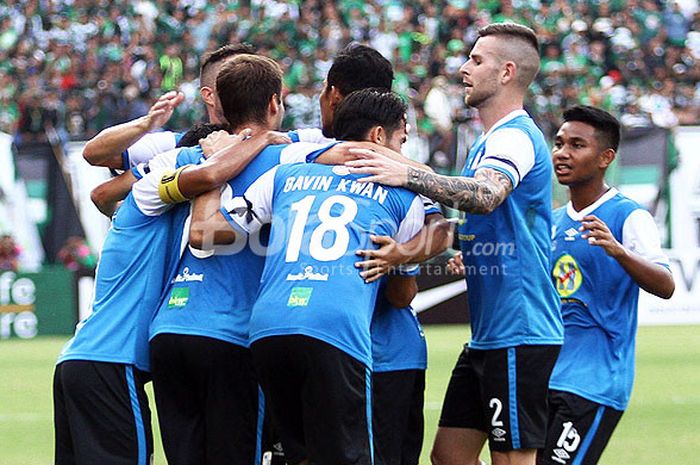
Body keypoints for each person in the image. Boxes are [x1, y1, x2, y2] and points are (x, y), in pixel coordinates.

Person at [344, 23, 564, 465]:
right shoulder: (486, 140)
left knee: (512, 460)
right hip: (489, 336)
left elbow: (485, 196)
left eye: (476, 60)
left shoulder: (514, 136)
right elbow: (488, 219)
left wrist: (408, 173)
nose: (464, 68)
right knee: (449, 455)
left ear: (506, 72)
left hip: (520, 331)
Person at [191, 88, 427, 465]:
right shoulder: (402, 193)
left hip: (268, 329)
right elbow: (401, 296)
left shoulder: (284, 173)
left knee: (300, 455)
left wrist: (212, 171)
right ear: (379, 137)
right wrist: (399, 262)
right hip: (333, 328)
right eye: (402, 139)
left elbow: (206, 233)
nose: (403, 151)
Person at [53, 120, 278, 465]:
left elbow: (103, 195)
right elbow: (206, 176)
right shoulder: (149, 195)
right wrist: (257, 141)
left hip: (83, 360)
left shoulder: (150, 215)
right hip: (113, 360)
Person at [539, 106, 674, 465]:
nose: (563, 153)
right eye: (559, 143)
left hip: (593, 382)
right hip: (543, 376)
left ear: (605, 157)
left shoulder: (629, 215)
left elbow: (666, 285)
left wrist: (618, 251)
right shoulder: (551, 221)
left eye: (577, 145)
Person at [81, 43, 257, 171]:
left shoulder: (277, 144)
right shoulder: (176, 146)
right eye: (236, 81)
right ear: (209, 95)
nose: (248, 88)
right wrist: (146, 124)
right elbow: (93, 153)